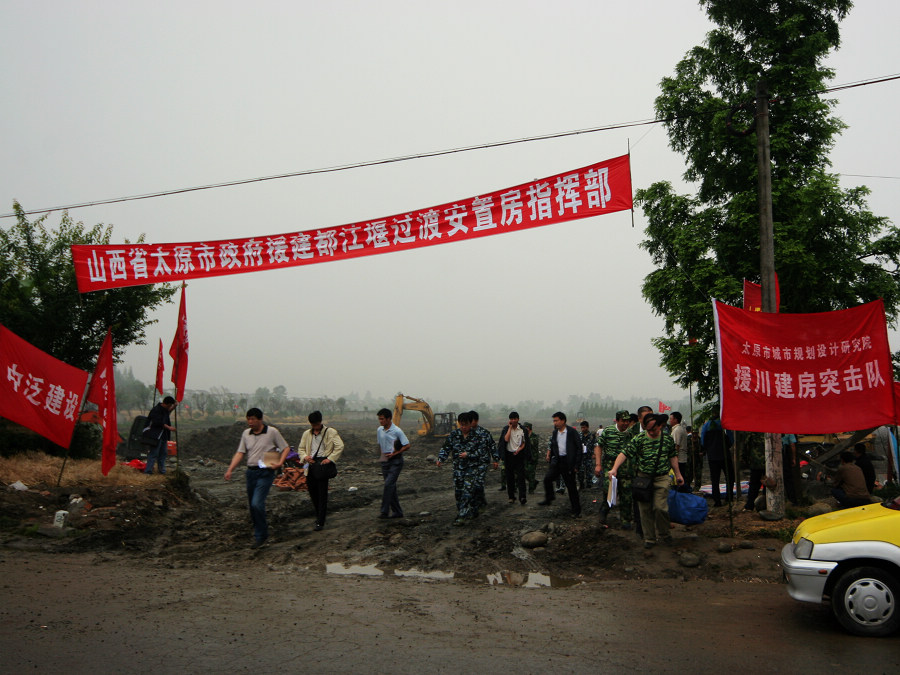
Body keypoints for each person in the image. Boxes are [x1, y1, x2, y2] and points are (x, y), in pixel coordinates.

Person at [609, 413, 684, 548]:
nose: (651, 432)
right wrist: (614, 468)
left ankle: (664, 533)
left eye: (653, 430)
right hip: (643, 479)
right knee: (645, 510)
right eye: (648, 430)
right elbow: (624, 453)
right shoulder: (640, 439)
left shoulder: (667, 440)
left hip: (662, 477)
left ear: (660, 426)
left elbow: (673, 457)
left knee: (660, 508)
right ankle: (650, 538)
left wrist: (678, 475)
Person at [224, 408, 291, 548]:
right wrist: (230, 469)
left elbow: (285, 448)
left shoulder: (272, 432)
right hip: (251, 472)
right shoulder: (246, 434)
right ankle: (259, 532)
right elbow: (240, 453)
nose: (250, 422)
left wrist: (280, 463)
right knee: (252, 506)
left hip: (265, 472)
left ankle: (261, 535)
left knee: (256, 503)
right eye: (248, 419)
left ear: (260, 419)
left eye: (253, 419)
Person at [438, 411, 496, 525]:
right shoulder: (454, 435)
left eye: (466, 425)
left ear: (471, 424)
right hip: (458, 469)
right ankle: (471, 509)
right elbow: (446, 447)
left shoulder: (478, 436)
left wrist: (468, 454)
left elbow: (482, 451)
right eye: (461, 425)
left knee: (467, 490)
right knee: (459, 492)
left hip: (472, 468)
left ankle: (461, 516)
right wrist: (440, 459)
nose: (463, 427)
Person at [297, 410, 344, 531]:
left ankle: (321, 521)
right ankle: (319, 515)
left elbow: (340, 446)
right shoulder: (307, 434)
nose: (315, 428)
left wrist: (330, 459)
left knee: (322, 494)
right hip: (311, 465)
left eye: (316, 425)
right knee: (313, 492)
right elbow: (301, 449)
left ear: (320, 422)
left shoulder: (330, 432)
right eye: (313, 425)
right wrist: (305, 457)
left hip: (323, 465)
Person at [538, 412, 582, 517]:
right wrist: (552, 458)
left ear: (563, 421)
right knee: (547, 479)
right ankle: (549, 498)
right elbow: (554, 446)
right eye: (554, 421)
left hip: (569, 462)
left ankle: (576, 511)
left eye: (556, 420)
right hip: (558, 461)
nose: (555, 423)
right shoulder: (555, 433)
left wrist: (576, 465)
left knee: (571, 487)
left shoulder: (572, 432)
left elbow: (579, 448)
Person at [595, 410, 633, 529]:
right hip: (609, 466)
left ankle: (626, 521)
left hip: (626, 467)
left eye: (628, 421)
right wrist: (598, 464)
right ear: (617, 420)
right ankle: (603, 514)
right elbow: (599, 447)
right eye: (623, 421)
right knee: (609, 492)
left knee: (626, 495)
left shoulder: (631, 434)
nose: (626, 423)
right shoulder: (608, 431)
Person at [376, 408, 409, 519]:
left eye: (382, 419)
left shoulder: (397, 431)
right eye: (379, 419)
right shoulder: (379, 430)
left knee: (388, 484)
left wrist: (395, 453)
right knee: (391, 487)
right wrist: (382, 455)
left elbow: (407, 445)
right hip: (385, 461)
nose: (380, 421)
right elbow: (380, 443)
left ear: (389, 418)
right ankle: (397, 512)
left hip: (396, 461)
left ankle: (384, 511)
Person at [700, 409, 735, 507]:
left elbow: (702, 441)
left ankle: (717, 500)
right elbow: (731, 439)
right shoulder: (724, 424)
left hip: (712, 456)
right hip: (724, 455)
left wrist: (708, 448)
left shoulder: (706, 425)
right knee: (730, 477)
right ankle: (729, 497)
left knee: (715, 479)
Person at [469, 410, 498, 508]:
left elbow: (492, 446)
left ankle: (480, 502)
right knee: (471, 484)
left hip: (482, 462)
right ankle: (476, 502)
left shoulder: (484, 433)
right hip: (470, 463)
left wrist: (495, 459)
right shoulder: (465, 433)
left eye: (471, 420)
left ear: (476, 421)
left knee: (479, 482)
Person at [498, 412, 528, 505]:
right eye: (511, 419)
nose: (513, 420)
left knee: (521, 477)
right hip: (509, 456)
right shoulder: (506, 429)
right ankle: (511, 497)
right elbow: (505, 440)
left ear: (518, 419)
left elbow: (524, 443)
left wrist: (519, 449)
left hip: (519, 455)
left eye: (515, 419)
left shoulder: (522, 430)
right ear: (509, 420)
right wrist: (510, 428)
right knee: (509, 477)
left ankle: (522, 496)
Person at [142, 396, 176, 475]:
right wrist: (169, 428)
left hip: (163, 435)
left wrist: (175, 406)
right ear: (167, 404)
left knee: (163, 454)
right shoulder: (156, 410)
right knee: (153, 454)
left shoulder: (165, 410)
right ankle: (148, 471)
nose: (170, 407)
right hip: (155, 435)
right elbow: (158, 422)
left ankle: (162, 471)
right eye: (170, 405)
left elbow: (168, 412)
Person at [741, 431, 766, 511]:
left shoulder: (751, 433)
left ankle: (750, 505)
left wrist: (745, 458)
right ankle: (766, 504)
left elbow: (745, 446)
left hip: (755, 462)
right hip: (768, 462)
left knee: (754, 485)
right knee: (767, 484)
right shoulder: (769, 430)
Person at [669, 412, 690, 493]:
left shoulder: (677, 430)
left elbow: (676, 446)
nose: (669, 421)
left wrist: (674, 459)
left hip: (679, 459)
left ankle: (681, 495)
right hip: (681, 458)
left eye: (671, 419)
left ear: (675, 420)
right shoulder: (679, 429)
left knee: (679, 478)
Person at [781, 433, 801, 505]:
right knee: (788, 479)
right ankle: (792, 500)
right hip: (785, 453)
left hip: (773, 455)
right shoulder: (788, 429)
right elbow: (792, 445)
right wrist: (793, 458)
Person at [578, 421, 597, 490]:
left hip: (589, 456)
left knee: (589, 471)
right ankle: (581, 484)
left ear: (587, 427)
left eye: (584, 427)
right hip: (581, 456)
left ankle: (589, 485)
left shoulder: (592, 436)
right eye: (581, 427)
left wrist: (594, 454)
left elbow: (595, 445)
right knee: (580, 471)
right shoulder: (579, 435)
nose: (583, 429)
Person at [523, 422, 541, 493]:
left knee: (531, 473)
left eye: (525, 428)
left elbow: (532, 443)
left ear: (529, 428)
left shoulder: (534, 436)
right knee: (524, 472)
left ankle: (531, 489)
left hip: (533, 457)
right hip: (525, 457)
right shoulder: (524, 436)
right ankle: (534, 482)